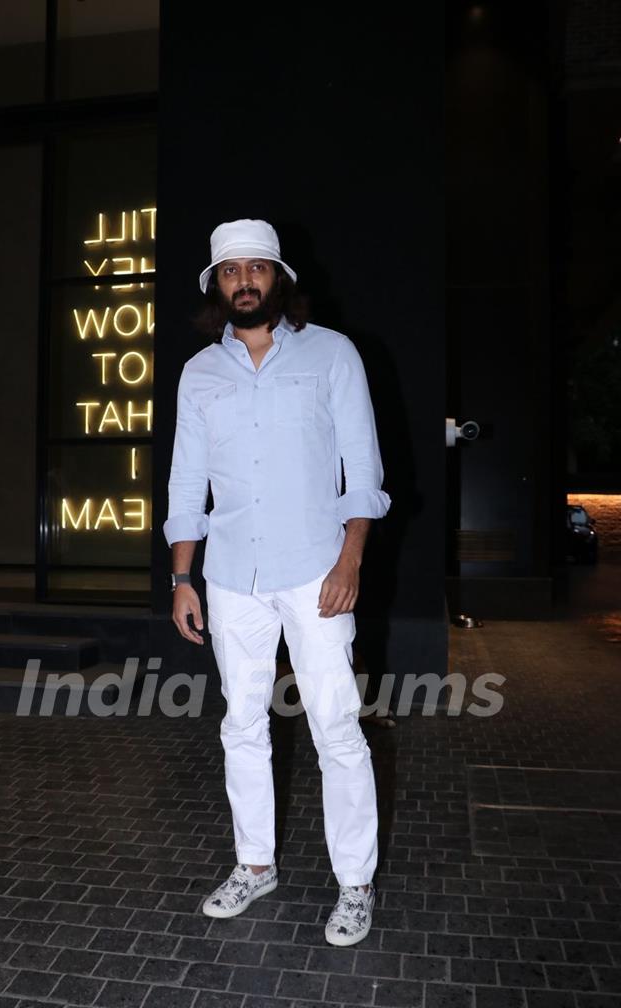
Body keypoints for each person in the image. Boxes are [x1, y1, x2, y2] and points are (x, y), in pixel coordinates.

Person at [163, 219, 391, 946]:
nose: (245, 282)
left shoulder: (332, 355)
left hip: (318, 570)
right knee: (241, 724)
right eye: (231, 273)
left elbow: (364, 466)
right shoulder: (199, 373)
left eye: (257, 269)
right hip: (231, 575)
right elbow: (185, 482)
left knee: (335, 726)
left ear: (279, 279)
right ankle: (254, 865)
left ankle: (354, 884)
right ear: (217, 287)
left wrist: (351, 558)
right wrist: (182, 576)